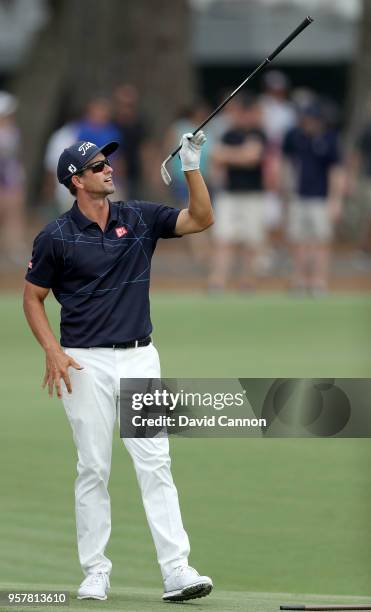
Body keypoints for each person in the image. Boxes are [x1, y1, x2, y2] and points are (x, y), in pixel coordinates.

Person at [23, 135, 213, 602]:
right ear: (76, 180)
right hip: (83, 362)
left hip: (140, 356)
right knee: (93, 466)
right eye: (96, 166)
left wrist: (192, 165)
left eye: (107, 162)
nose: (108, 168)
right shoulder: (55, 237)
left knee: (156, 464)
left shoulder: (140, 217)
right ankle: (95, 571)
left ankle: (177, 570)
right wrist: (51, 349)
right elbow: (32, 297)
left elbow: (201, 218)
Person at [281, 100, 345, 294]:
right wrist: (285, 192)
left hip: (321, 198)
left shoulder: (329, 139)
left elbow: (337, 171)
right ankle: (300, 280)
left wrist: (336, 200)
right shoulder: (295, 137)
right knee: (298, 240)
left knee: (321, 241)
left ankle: (319, 281)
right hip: (298, 196)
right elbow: (286, 164)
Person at [208, 94, 268, 291]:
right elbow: (215, 156)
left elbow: (252, 157)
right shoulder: (228, 134)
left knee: (251, 240)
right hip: (230, 194)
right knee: (224, 238)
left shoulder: (259, 133)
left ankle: (247, 282)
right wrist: (239, 154)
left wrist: (229, 155)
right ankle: (218, 282)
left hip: (253, 194)